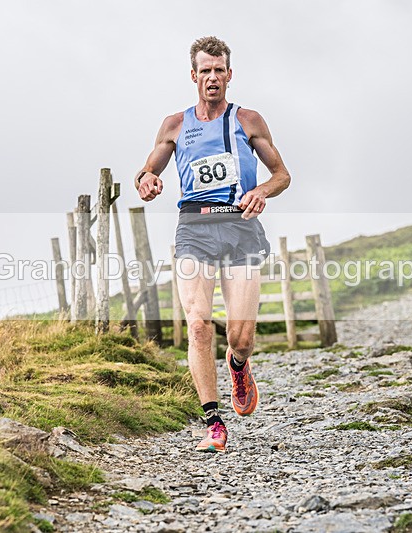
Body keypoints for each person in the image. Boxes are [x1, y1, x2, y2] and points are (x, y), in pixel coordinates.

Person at [135, 36, 290, 452]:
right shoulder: (175, 124)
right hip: (194, 229)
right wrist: (147, 180)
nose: (213, 77)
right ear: (194, 76)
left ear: (229, 75)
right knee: (199, 325)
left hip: (240, 228)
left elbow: (282, 174)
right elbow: (147, 170)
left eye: (219, 70)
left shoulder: (248, 120)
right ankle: (214, 423)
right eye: (205, 71)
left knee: (241, 337)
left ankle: (239, 365)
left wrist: (262, 191)